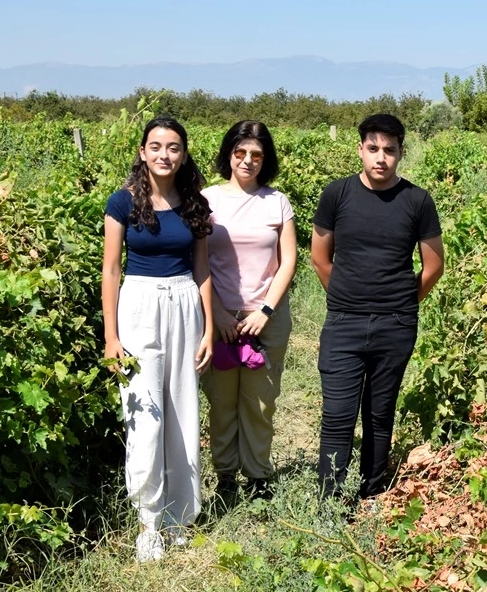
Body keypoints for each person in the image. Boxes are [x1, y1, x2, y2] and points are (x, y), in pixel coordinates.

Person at [311, 114, 444, 503]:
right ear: (360, 149)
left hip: (396, 325)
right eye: (373, 149)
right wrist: (346, 297)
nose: (381, 158)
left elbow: (433, 266)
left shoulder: (417, 201)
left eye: (389, 150)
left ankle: (371, 495)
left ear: (401, 152)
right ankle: (330, 502)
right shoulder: (337, 194)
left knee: (380, 412)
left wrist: (400, 304)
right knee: (337, 415)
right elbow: (320, 257)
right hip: (343, 323)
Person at [101, 116, 214, 562]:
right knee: (144, 414)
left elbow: (202, 269)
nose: (164, 154)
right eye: (156, 146)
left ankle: (180, 517)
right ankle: (148, 522)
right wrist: (111, 336)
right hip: (139, 305)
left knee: (183, 410)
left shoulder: (195, 204)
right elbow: (112, 270)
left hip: (185, 303)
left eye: (173, 147)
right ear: (143, 152)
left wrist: (208, 328)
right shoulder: (122, 203)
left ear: (183, 154)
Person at [202, 120, 296, 502]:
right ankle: (225, 476)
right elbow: (196, 260)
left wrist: (266, 311)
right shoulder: (207, 199)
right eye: (240, 152)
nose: (247, 160)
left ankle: (258, 476)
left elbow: (288, 261)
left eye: (256, 154)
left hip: (266, 319)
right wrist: (218, 312)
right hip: (218, 317)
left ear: (265, 159)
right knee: (221, 402)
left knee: (260, 402)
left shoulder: (277, 202)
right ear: (229, 154)